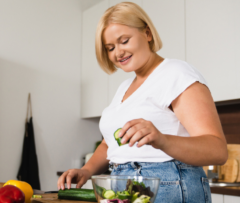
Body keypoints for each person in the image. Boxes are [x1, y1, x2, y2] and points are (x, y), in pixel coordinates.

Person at [57, 2, 228, 202]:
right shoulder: (124, 88)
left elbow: (217, 150)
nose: (118, 53)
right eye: (110, 47)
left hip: (166, 186)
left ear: (147, 33)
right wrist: (86, 171)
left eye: (124, 41)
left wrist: (162, 139)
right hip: (123, 185)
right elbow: (109, 144)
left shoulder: (176, 73)